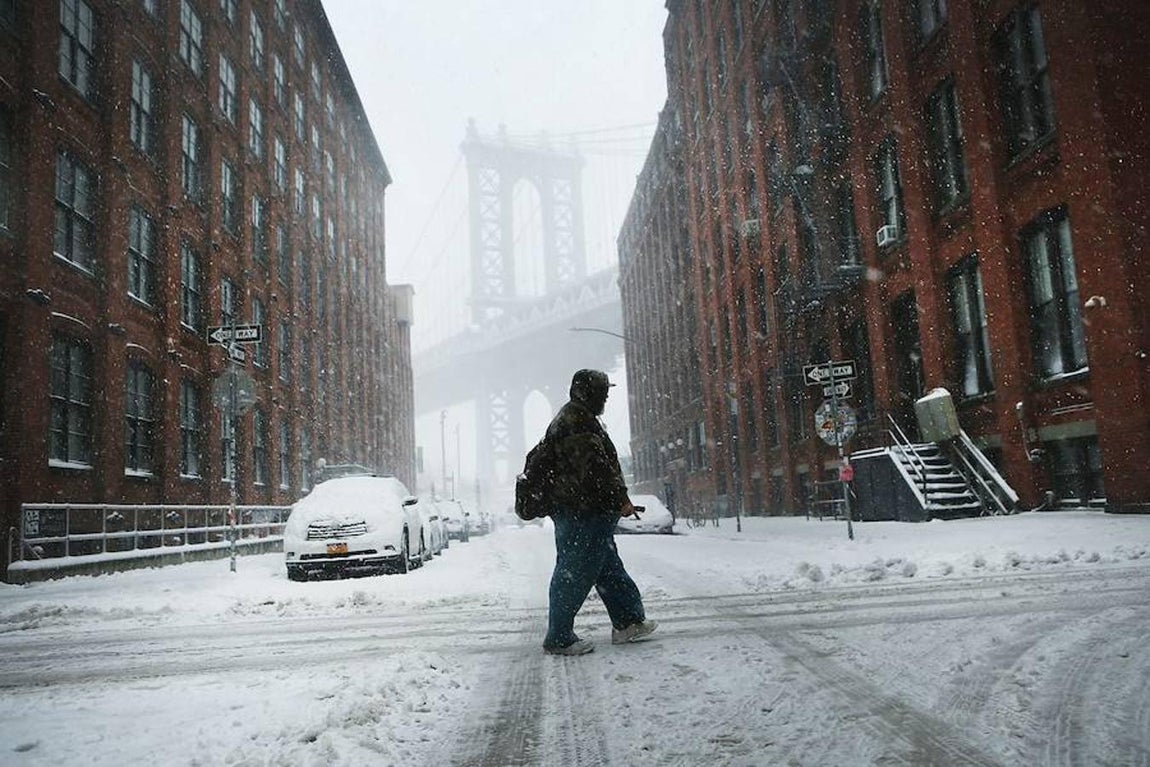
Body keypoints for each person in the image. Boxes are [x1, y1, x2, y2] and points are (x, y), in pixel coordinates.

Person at [541, 368, 657, 656]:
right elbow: (595, 470)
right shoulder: (577, 421)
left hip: (587, 511)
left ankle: (628, 622)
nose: (606, 398)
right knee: (574, 571)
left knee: (607, 569)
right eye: (602, 393)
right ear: (588, 393)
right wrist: (620, 499)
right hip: (582, 512)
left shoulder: (578, 418)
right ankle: (559, 637)